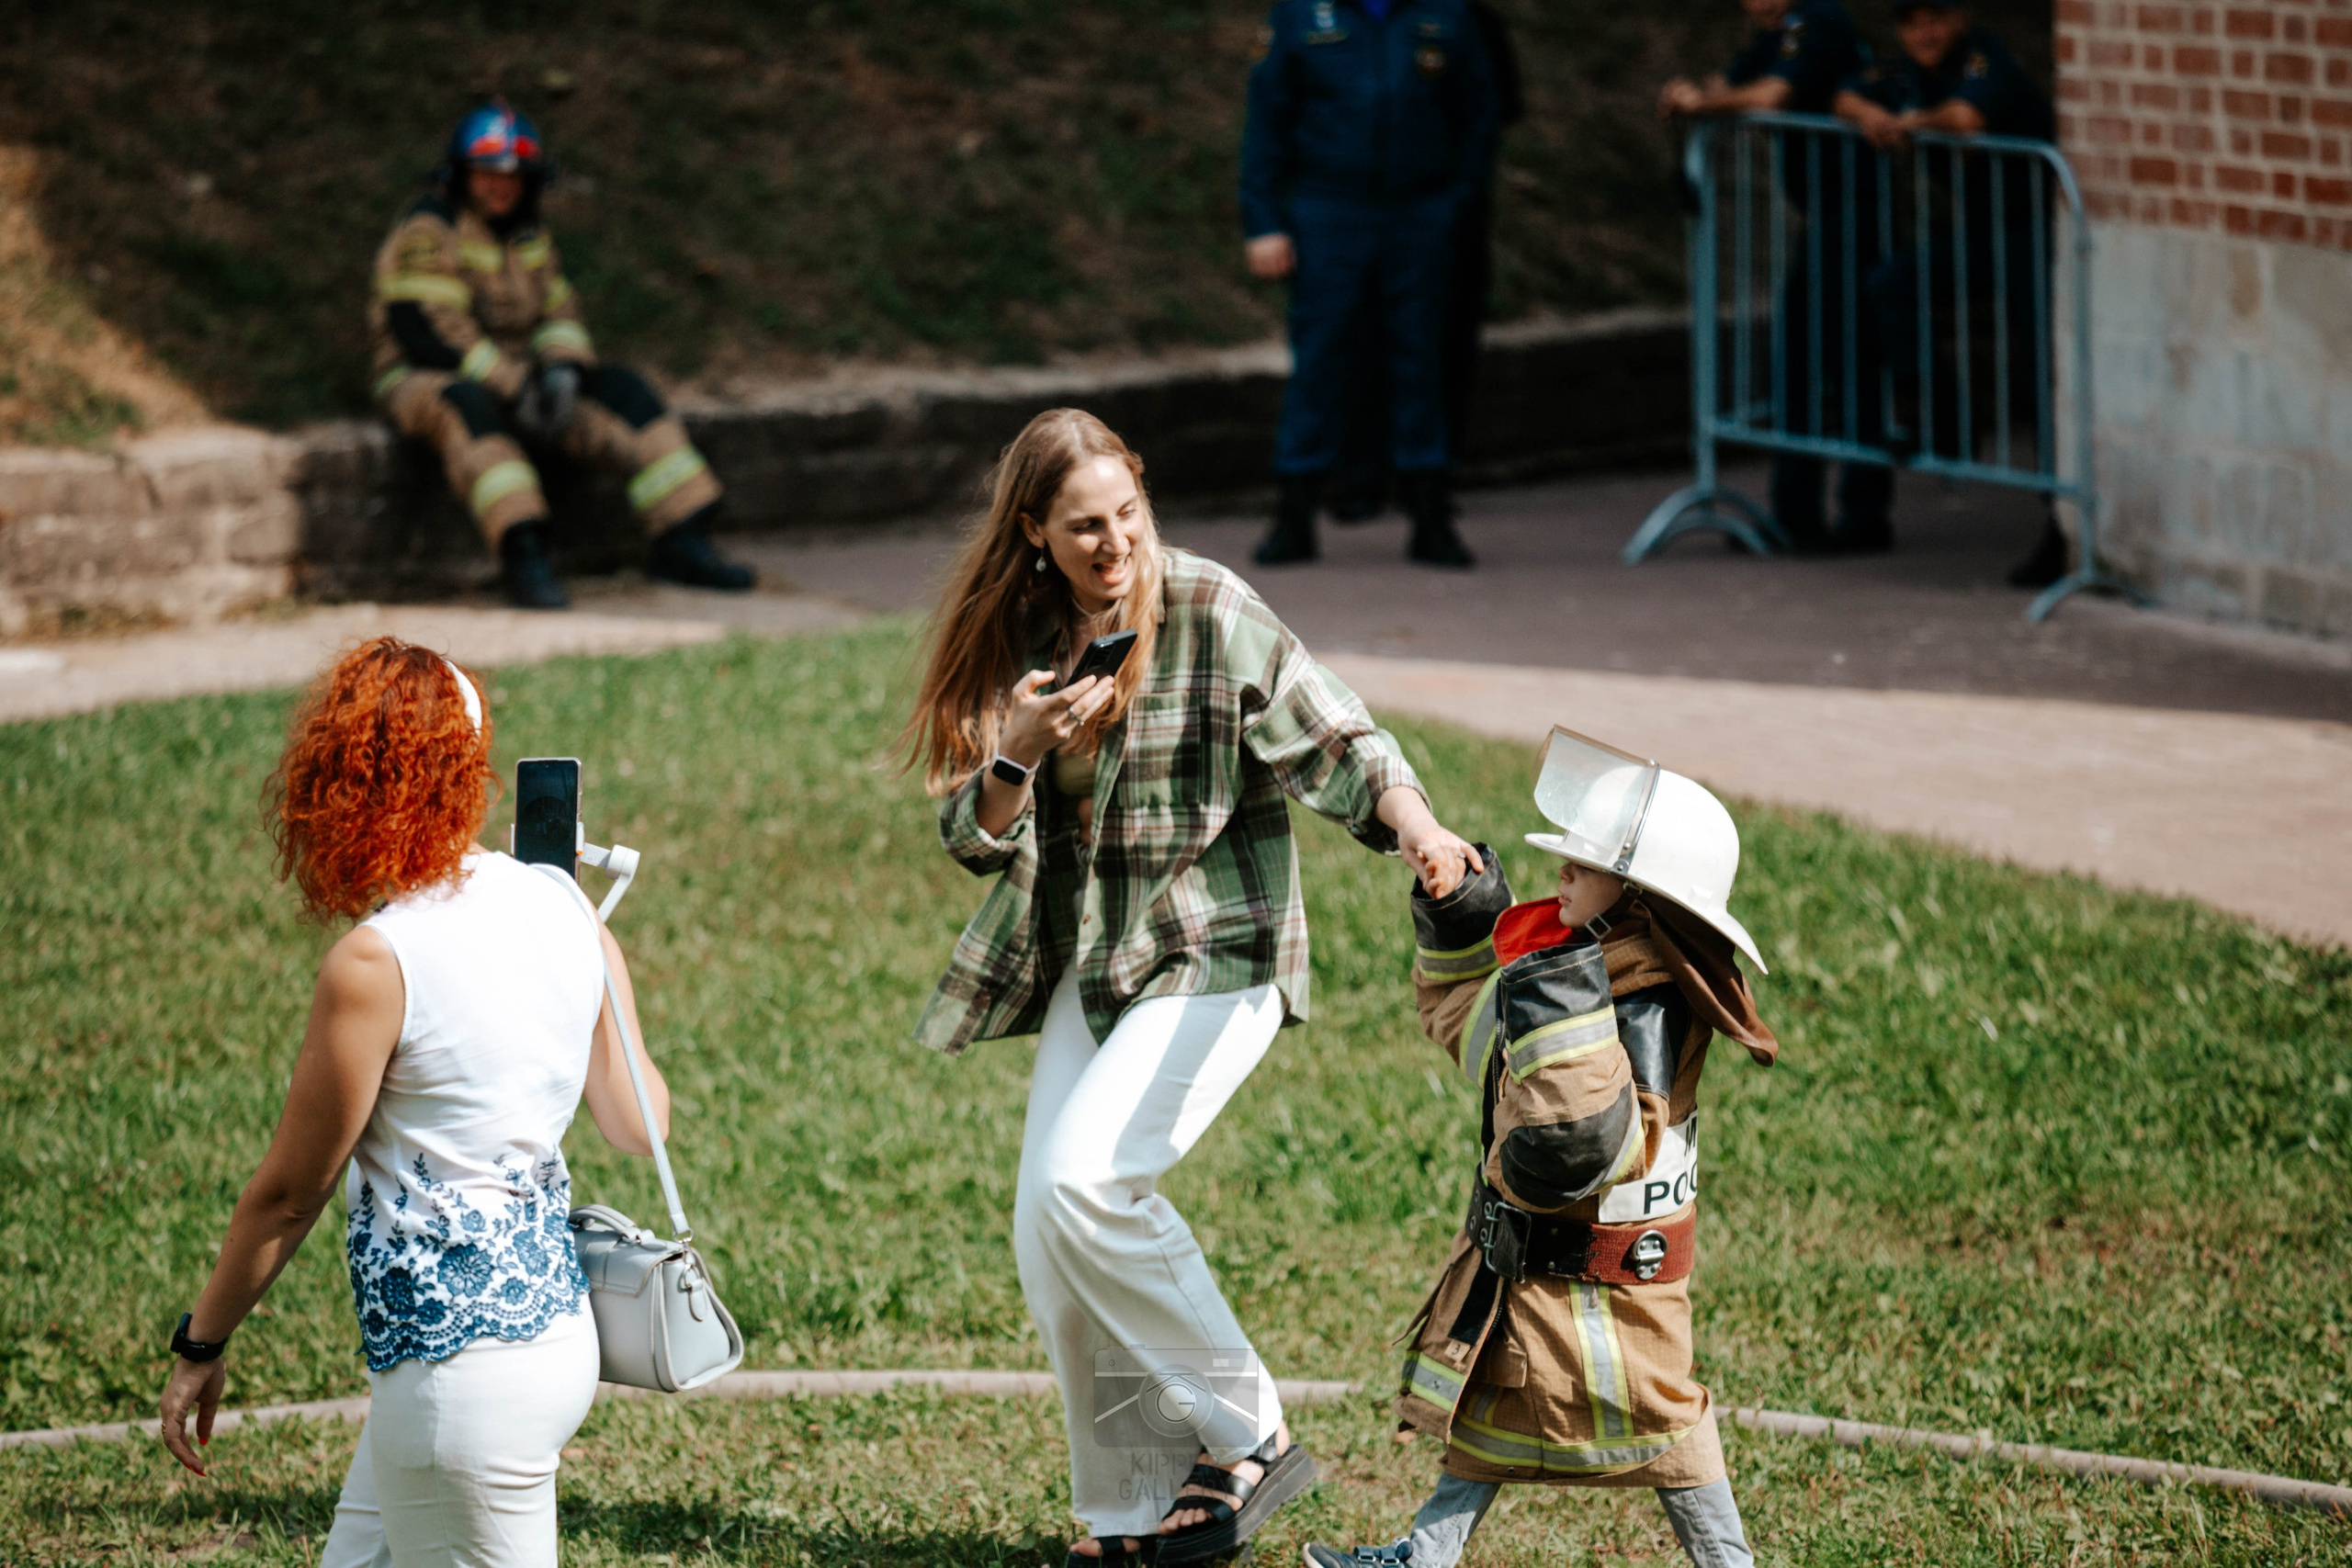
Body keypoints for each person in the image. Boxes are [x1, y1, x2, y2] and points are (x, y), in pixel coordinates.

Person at [900, 408, 1481, 1568]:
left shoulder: (1209, 606)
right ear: (1034, 533)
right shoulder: (1022, 631)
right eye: (1082, 527)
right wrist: (1016, 746)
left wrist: (1418, 826)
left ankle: (1246, 1429)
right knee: (1047, 1235)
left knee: (1088, 1181)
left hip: (1226, 948)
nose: (1113, 544)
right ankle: (1136, 1512)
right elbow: (974, 833)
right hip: (1102, 959)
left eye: (1127, 515)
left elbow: (1335, 736)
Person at [155, 637, 673, 1568]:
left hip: (457, 1378)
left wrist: (202, 1340)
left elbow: (288, 1195)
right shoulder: (565, 907)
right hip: (552, 1341)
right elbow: (640, 1126)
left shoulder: (376, 959)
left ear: (343, 784)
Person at [1302, 728, 1779, 1568]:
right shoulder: (1588, 968)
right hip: (1548, 1272)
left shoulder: (1646, 1003)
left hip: (1607, 1278)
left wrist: (1556, 1004)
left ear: (1638, 897)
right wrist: (1466, 906)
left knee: (1662, 1417)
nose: (1561, 870)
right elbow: (1481, 1030)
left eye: (1583, 867)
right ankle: (1424, 1555)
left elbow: (1578, 1143)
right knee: (1490, 1414)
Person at [369, 100, 755, 610]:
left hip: (521, 374)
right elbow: (429, 332)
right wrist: (516, 385)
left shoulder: (528, 235)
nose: (501, 188)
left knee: (627, 395)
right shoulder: (428, 231)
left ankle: (682, 536)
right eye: (488, 176)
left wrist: (562, 370)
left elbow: (560, 309)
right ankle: (524, 555)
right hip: (428, 378)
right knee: (471, 414)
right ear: (462, 174)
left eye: (513, 177)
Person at [1240, 0, 1499, 569]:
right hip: (1329, 212)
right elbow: (1267, 120)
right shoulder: (1303, 16)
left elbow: (1479, 113)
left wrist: (1456, 206)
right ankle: (1294, 514)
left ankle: (1431, 516)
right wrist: (1264, 221)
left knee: (1421, 360)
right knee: (1320, 361)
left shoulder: (1447, 14)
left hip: (1420, 214)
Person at [1835, 1, 2070, 583]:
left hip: (2036, 229)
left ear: (1962, 18)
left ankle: (2059, 529)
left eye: (1936, 18)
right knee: (1890, 284)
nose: (1925, 33)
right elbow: (1843, 96)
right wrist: (1870, 115)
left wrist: (1909, 124)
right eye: (1912, 22)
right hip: (1985, 232)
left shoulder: (1986, 59)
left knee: (2039, 376)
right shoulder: (1907, 75)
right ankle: (1943, 412)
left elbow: (1967, 118)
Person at [1658, 0, 1888, 555]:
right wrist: (1692, 92)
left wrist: (1706, 104)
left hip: (1853, 212)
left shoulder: (1818, 23)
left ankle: (1858, 514)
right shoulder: (1775, 35)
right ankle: (1801, 512)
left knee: (1837, 357)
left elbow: (1772, 95)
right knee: (1807, 355)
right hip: (1825, 214)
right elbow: (1736, 78)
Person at [1330, 0, 1523, 525]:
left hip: (1441, 215)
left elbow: (1490, 108)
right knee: (1359, 341)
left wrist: (1454, 200)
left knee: (1439, 346)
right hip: (1364, 213)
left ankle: (1430, 479)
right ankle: (1360, 475)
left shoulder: (1463, 17)